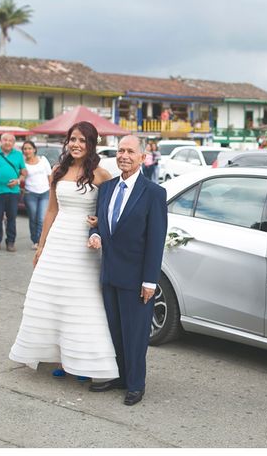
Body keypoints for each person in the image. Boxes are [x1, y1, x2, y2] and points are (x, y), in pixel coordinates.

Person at [9, 121, 118, 382]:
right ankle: (60, 357)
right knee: (54, 298)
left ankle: (83, 361)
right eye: (73, 139)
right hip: (58, 241)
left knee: (82, 301)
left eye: (82, 140)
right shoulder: (58, 170)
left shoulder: (102, 175)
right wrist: (41, 245)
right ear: (67, 142)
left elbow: (110, 212)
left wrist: (99, 225)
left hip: (84, 246)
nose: (77, 144)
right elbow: (51, 211)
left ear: (91, 144)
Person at [86, 135, 167, 406]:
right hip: (110, 273)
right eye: (120, 150)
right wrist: (95, 233)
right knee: (115, 330)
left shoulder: (154, 193)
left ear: (142, 157)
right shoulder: (106, 188)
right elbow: (101, 223)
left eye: (130, 151)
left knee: (135, 333)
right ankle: (119, 376)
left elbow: (156, 240)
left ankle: (135, 384)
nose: (124, 155)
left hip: (136, 278)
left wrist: (150, 281)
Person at [0, 133, 27, 252]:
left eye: (10, 141)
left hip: (13, 192)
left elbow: (24, 173)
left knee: (11, 218)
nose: (7, 142)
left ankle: (11, 242)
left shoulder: (18, 155)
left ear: (13, 143)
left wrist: (18, 181)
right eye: (5, 140)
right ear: (0, 141)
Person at [21, 140, 52, 250]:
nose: (27, 151)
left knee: (41, 218)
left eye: (29, 148)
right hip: (30, 193)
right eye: (25, 149)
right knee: (33, 218)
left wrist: (52, 190)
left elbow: (49, 175)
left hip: (45, 192)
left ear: (34, 149)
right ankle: (34, 239)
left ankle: (40, 241)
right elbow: (21, 178)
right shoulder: (22, 163)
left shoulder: (43, 160)